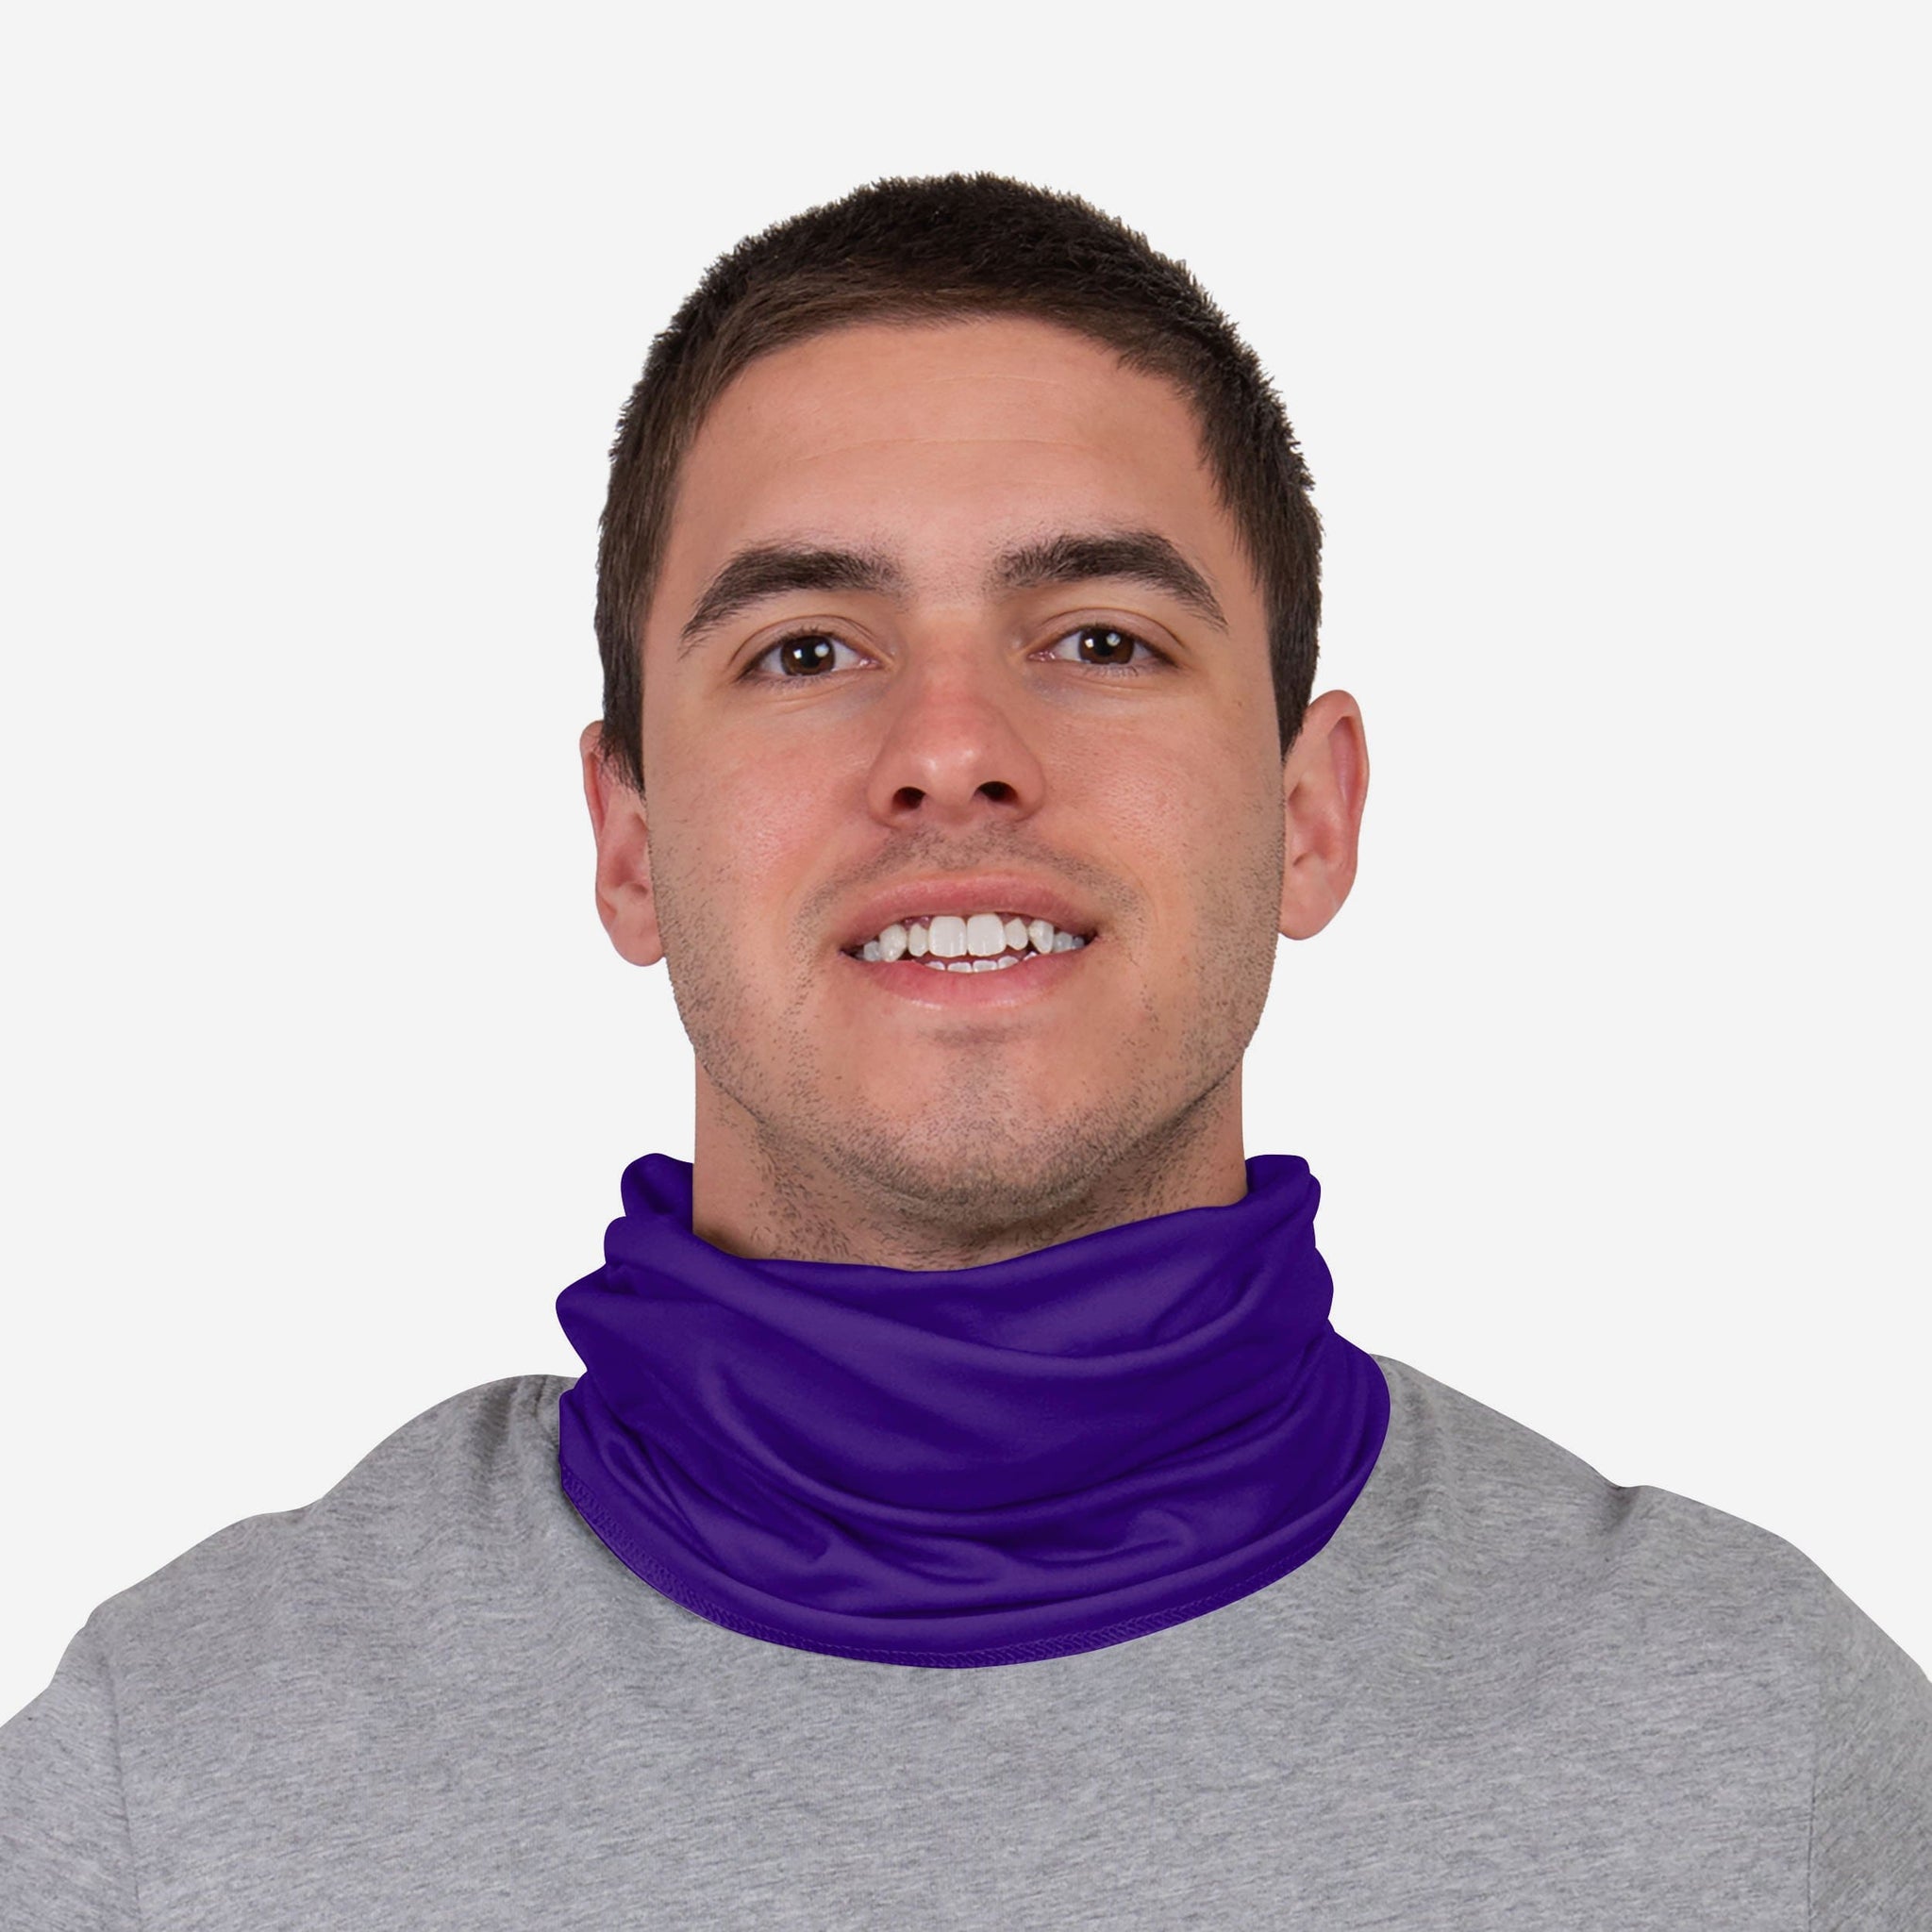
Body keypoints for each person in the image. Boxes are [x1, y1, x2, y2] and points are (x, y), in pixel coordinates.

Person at [4, 171, 1925, 1927]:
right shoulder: (167, 1788)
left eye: (1097, 639)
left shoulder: (1773, 1760)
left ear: (1309, 815)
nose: (950, 748)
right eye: (806, 649)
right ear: (630, 842)